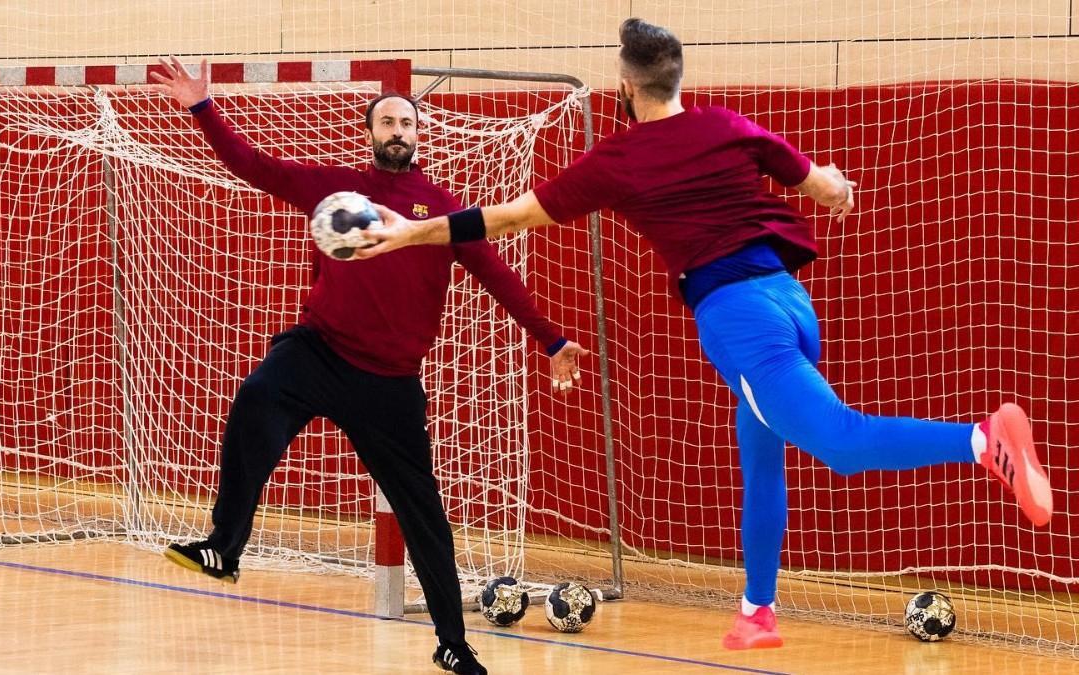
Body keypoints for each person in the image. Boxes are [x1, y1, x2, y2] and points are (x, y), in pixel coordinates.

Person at [355, 19, 1055, 651]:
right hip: (790, 300)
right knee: (760, 450)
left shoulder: (617, 159)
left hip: (737, 316)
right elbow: (819, 183)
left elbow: (505, 219)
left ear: (627, 87)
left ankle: (980, 439)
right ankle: (757, 610)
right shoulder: (727, 124)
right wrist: (837, 188)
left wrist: (408, 232)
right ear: (677, 77)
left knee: (839, 441)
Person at [150, 57, 589, 675]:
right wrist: (201, 107)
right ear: (371, 134)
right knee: (256, 398)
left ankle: (452, 643)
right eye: (387, 121)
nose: (397, 131)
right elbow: (253, 165)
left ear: (418, 135)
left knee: (424, 515)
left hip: (390, 384)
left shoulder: (439, 211)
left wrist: (551, 341)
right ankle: (225, 546)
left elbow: (499, 277)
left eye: (407, 122)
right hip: (320, 350)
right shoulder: (336, 193)